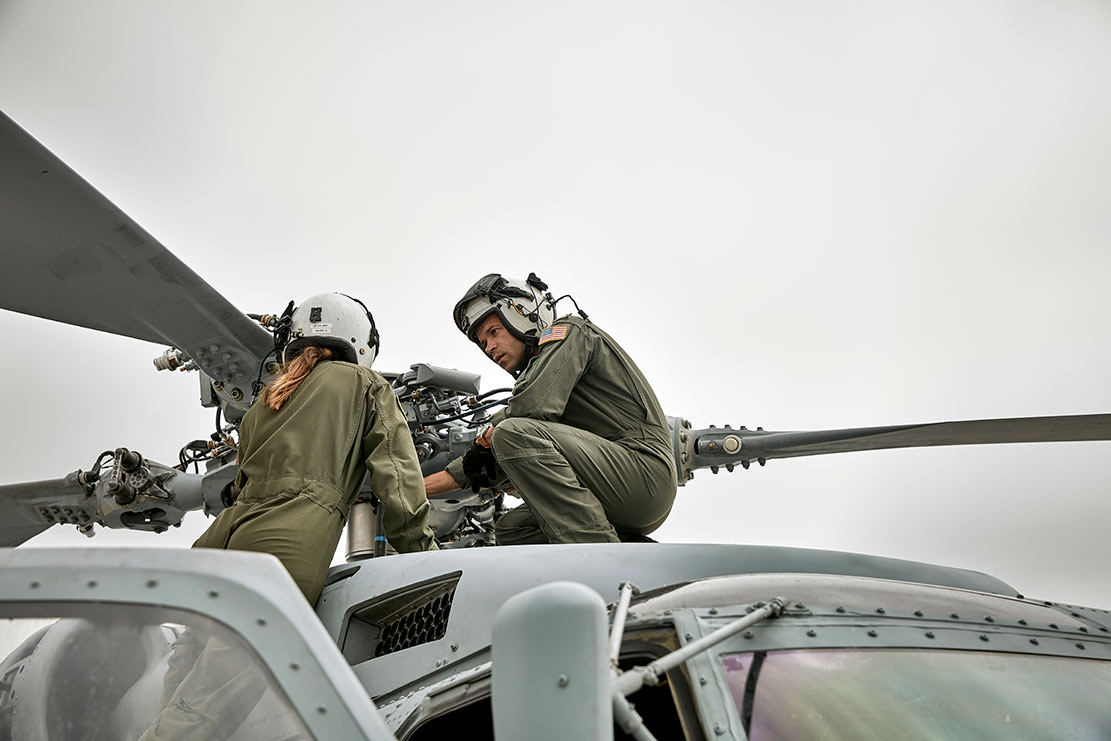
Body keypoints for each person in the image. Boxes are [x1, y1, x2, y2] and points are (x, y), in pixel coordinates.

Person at [142, 291, 438, 740]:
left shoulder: (267, 400)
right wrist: (426, 555)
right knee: (206, 708)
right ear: (360, 343)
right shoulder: (366, 386)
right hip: (283, 548)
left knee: (181, 683)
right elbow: (396, 480)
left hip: (221, 543)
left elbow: (241, 482)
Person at [423, 273, 677, 544]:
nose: (491, 347)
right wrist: (409, 489)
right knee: (513, 529)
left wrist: (489, 434)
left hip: (642, 474)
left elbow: (530, 410)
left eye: (494, 332)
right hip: (615, 493)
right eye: (484, 343)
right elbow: (480, 469)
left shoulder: (570, 332)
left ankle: (603, 563)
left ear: (522, 317)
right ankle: (631, 560)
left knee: (512, 432)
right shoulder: (536, 404)